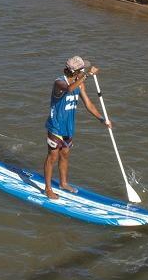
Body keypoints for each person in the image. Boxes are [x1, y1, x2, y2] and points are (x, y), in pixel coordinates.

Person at [43, 56, 111, 200]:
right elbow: (68, 89)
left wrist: (102, 119)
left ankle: (63, 183)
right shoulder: (59, 82)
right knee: (53, 157)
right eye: (82, 70)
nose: (84, 71)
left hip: (68, 127)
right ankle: (47, 189)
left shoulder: (79, 85)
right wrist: (86, 75)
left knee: (65, 154)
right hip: (55, 126)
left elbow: (88, 104)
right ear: (76, 72)